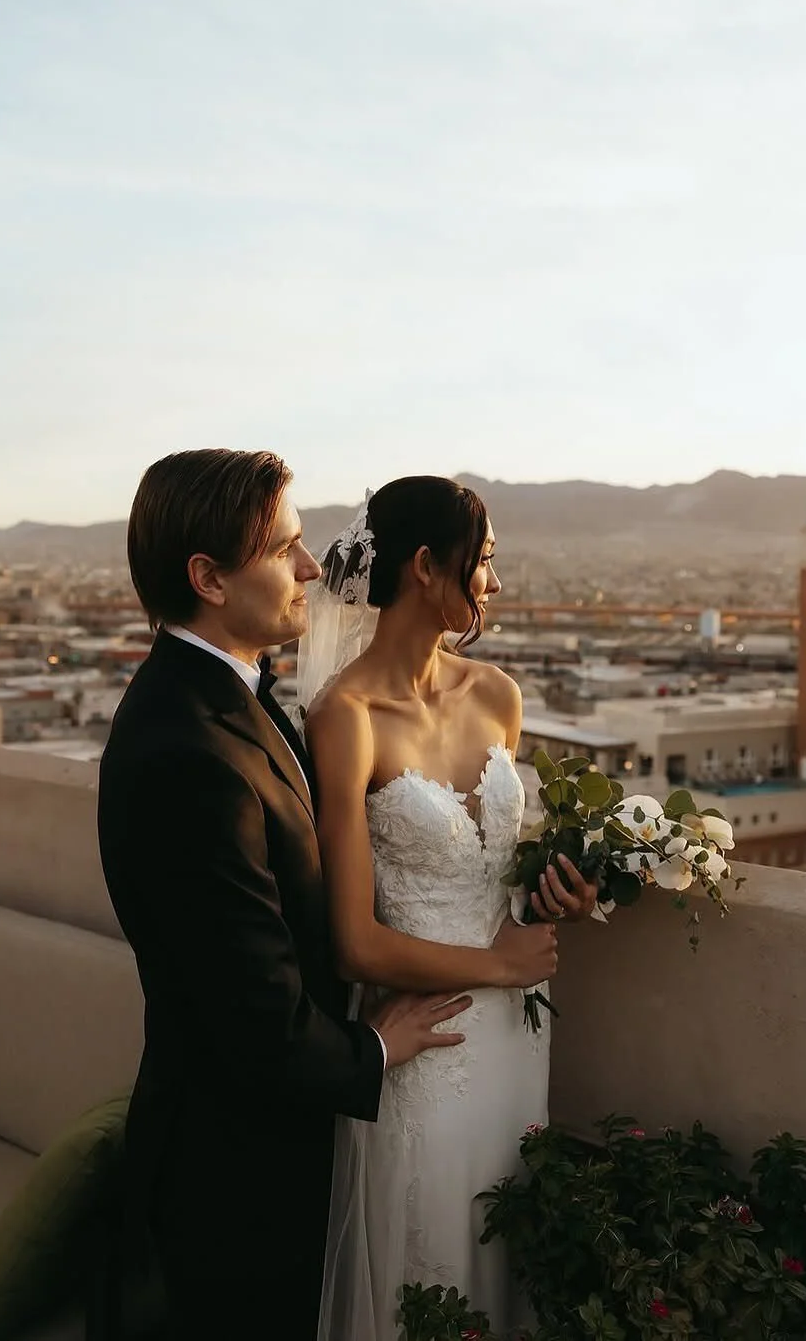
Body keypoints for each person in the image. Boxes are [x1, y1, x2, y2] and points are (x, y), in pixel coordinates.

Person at [96, 450, 545, 1339]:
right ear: (209, 579)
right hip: (239, 1166)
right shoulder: (187, 751)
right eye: (286, 549)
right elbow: (251, 1000)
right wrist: (376, 1049)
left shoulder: (230, 701)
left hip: (346, 1098)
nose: (315, 568)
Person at [306, 477, 598, 1340]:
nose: (494, 586)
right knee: (431, 1265)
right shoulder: (347, 716)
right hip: (426, 1040)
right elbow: (354, 942)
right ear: (426, 565)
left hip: (520, 1039)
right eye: (485, 563)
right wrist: (501, 967)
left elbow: (500, 869)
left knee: (510, 1253)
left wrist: (562, 895)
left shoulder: (499, 696)